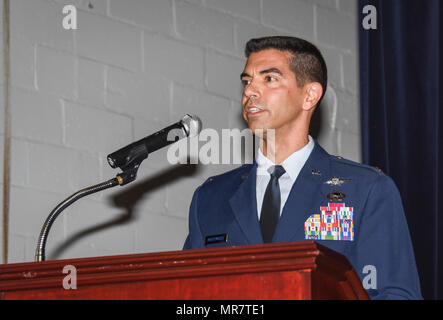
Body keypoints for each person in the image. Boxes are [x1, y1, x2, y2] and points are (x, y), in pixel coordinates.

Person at [183, 36, 422, 300]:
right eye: (247, 81)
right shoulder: (211, 198)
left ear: (309, 95)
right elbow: (187, 292)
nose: (250, 91)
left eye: (269, 79)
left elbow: (396, 294)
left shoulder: (365, 189)